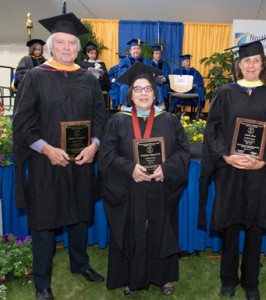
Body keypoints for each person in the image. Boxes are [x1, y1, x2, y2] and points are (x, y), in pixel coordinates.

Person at [13, 13, 107, 300]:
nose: (67, 48)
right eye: (62, 43)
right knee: (44, 221)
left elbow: (100, 117)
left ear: (78, 49)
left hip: (80, 162)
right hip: (46, 163)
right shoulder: (36, 77)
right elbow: (22, 122)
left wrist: (94, 144)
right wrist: (45, 148)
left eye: (72, 44)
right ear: (52, 46)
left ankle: (80, 264)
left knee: (79, 216)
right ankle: (42, 282)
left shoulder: (88, 80)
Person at [198, 38, 266, 300]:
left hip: (260, 173)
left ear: (263, 64)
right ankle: (228, 279)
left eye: (256, 60)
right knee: (230, 225)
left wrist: (265, 159)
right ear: (238, 65)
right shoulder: (225, 93)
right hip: (231, 170)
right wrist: (226, 156)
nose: (251, 65)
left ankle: (251, 282)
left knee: (255, 226)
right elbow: (213, 129)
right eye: (246, 61)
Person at [98, 62, 190, 295]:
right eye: (137, 89)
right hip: (130, 188)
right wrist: (130, 168)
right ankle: (132, 277)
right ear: (130, 94)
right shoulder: (118, 120)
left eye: (147, 89)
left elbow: (183, 152)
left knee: (162, 228)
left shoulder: (169, 120)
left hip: (160, 187)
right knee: (133, 230)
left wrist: (166, 170)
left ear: (155, 93)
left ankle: (164, 277)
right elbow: (107, 155)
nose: (143, 93)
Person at [117, 38, 148, 108]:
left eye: (138, 48)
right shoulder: (124, 61)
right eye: (134, 49)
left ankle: (148, 108)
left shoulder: (145, 61)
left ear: (140, 51)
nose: (136, 50)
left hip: (142, 83)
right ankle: (124, 107)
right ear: (130, 51)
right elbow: (122, 73)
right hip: (129, 83)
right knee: (123, 87)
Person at [147, 45, 171, 110]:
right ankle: (158, 106)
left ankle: (162, 107)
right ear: (152, 55)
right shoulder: (148, 64)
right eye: (156, 53)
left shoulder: (165, 64)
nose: (158, 55)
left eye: (160, 53)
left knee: (165, 87)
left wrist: (163, 79)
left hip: (162, 83)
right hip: (151, 84)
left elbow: (167, 74)